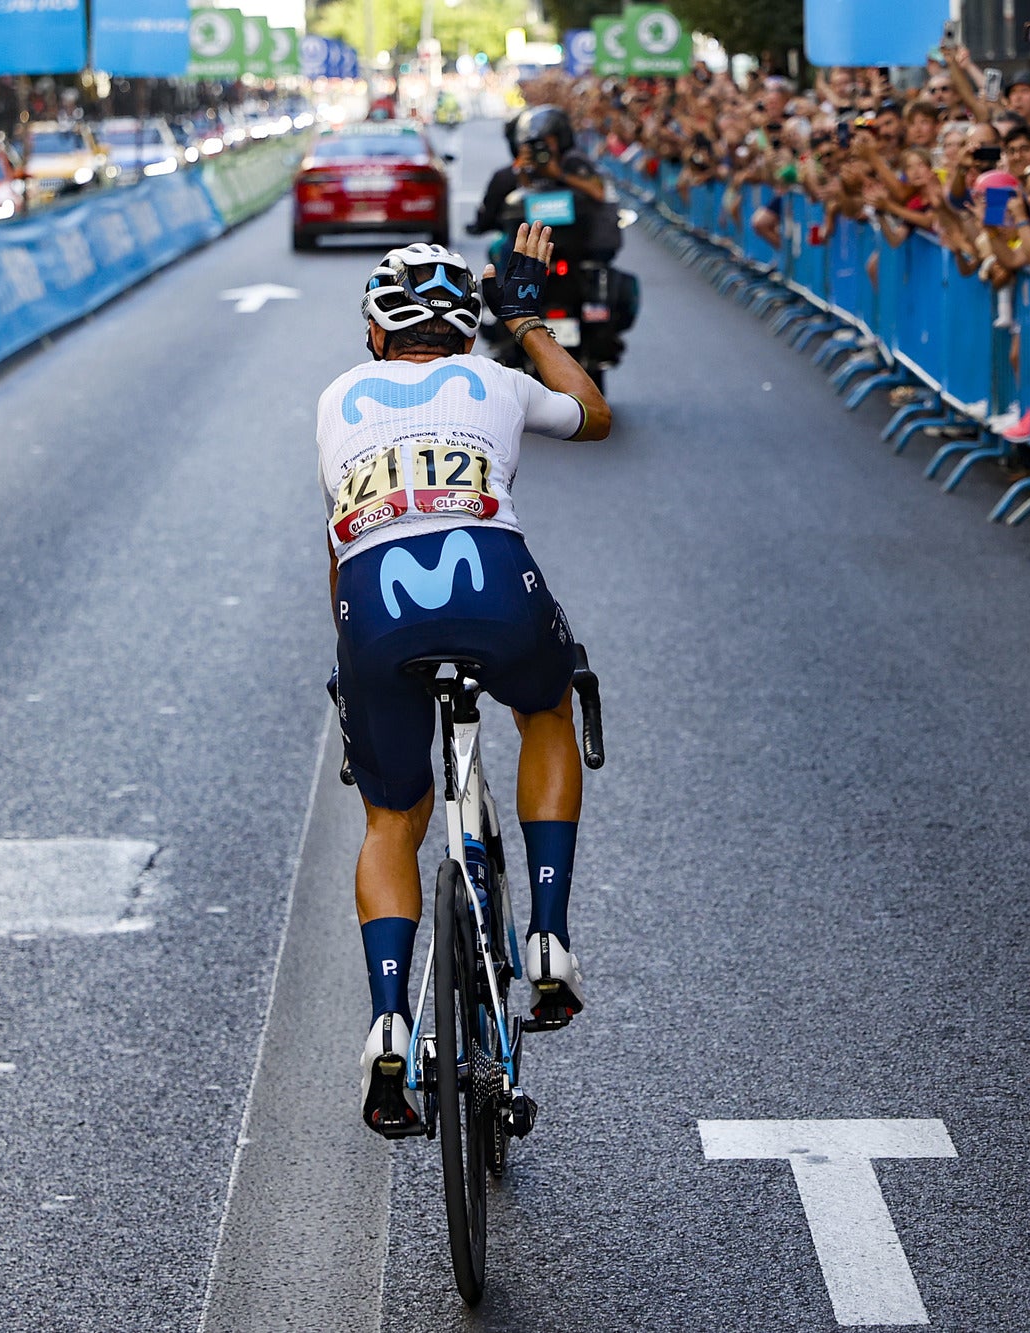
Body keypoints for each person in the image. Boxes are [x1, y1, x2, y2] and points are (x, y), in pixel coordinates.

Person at [322, 227, 611, 1137]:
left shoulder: (336, 396)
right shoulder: (498, 379)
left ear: (376, 332)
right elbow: (594, 414)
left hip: (373, 602)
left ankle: (387, 1020)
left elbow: (335, 539)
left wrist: (352, 660)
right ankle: (549, 935)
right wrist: (525, 323)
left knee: (391, 820)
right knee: (545, 703)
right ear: (466, 326)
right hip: (494, 583)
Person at [473, 105, 616, 261]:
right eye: (537, 143)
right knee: (502, 250)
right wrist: (522, 171)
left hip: (578, 241)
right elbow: (523, 194)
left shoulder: (574, 161)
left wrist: (560, 175)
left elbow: (598, 192)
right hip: (536, 241)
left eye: (548, 141)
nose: (543, 149)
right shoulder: (526, 167)